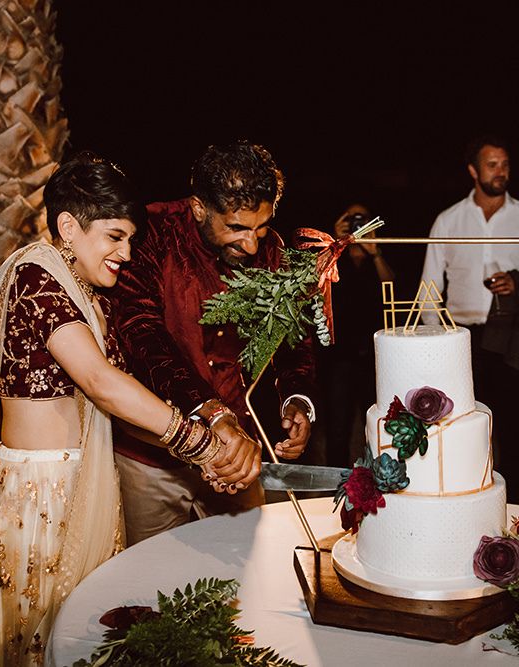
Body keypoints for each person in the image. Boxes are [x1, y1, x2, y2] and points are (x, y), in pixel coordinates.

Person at [0, 151, 260, 666]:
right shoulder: (36, 275)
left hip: (82, 496)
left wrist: (203, 458)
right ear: (68, 227)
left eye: (130, 238)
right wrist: (202, 440)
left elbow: (114, 411)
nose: (126, 253)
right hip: (33, 505)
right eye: (114, 236)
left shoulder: (90, 298)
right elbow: (103, 384)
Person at [111, 141, 317, 545]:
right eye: (237, 228)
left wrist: (296, 398)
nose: (252, 244)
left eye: (261, 226)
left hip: (237, 454)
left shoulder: (272, 250)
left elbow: (294, 338)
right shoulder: (150, 232)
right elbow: (141, 332)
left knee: (244, 577)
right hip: (152, 458)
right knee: (147, 582)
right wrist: (210, 413)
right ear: (199, 207)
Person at [420, 135, 519, 505]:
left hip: (510, 338)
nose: (501, 171)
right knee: (464, 433)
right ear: (473, 171)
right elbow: (428, 289)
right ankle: (469, 507)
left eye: (505, 164)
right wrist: (435, 347)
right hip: (462, 340)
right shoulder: (448, 220)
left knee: (514, 431)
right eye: (492, 164)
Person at [319, 202, 394, 467]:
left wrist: (375, 253)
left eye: (362, 219)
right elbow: (317, 284)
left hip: (373, 358)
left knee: (375, 425)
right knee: (337, 427)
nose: (357, 225)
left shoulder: (376, 255)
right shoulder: (335, 257)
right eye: (351, 219)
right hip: (340, 357)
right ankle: (333, 490)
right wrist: (335, 242)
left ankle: (375, 482)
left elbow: (392, 290)